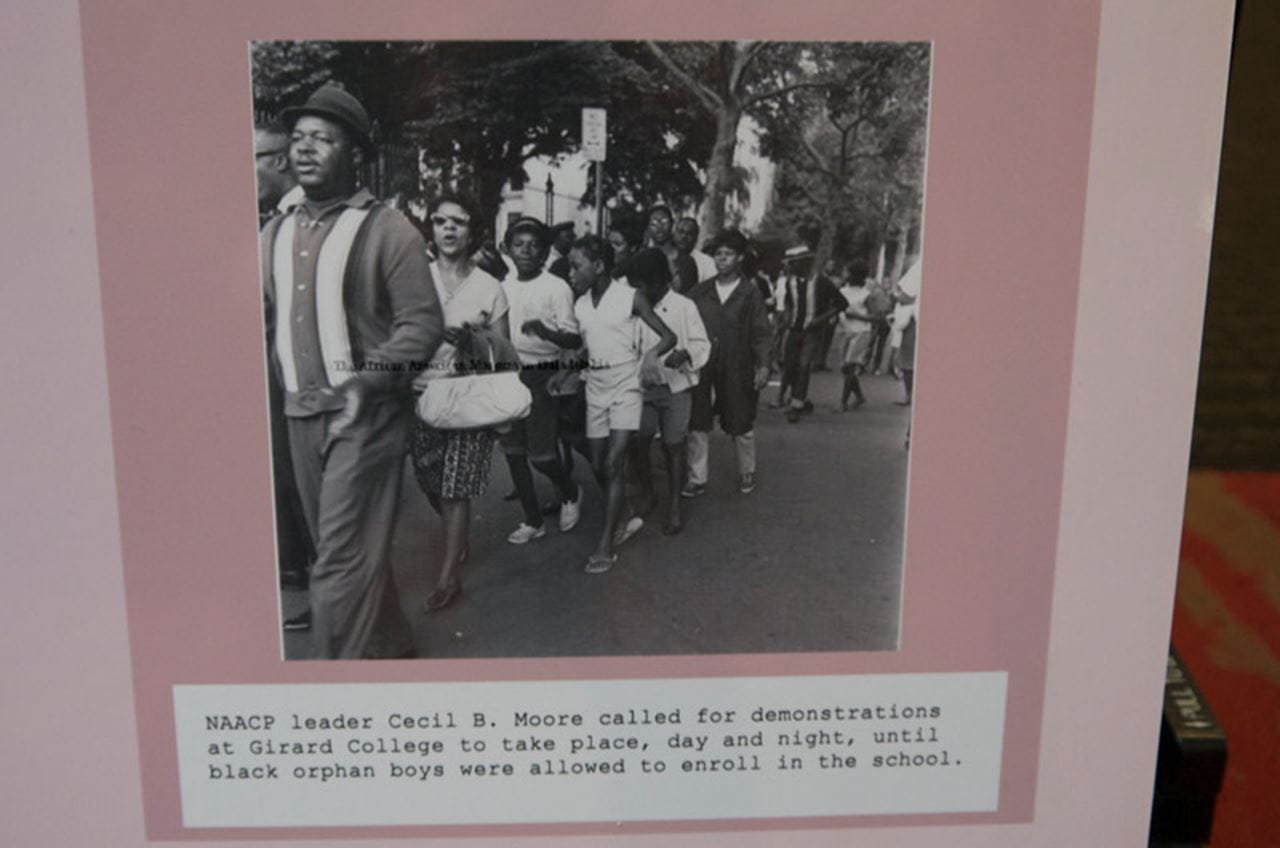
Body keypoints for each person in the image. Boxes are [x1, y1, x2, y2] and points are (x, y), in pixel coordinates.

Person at [260, 84, 444, 659]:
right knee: (347, 550)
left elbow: (421, 323)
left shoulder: (388, 229)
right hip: (298, 415)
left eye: (324, 138)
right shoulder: (276, 229)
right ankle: (390, 646)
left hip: (365, 416)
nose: (305, 149)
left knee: (335, 563)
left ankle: (339, 698)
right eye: (298, 139)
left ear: (355, 152)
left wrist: (371, 377)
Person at [409, 193, 510, 612]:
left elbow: (505, 353)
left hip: (468, 400)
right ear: (431, 230)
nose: (449, 229)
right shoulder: (414, 277)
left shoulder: (490, 288)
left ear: (474, 233)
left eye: (459, 221)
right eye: (440, 221)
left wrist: (475, 341)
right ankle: (457, 532)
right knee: (428, 478)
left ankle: (448, 578)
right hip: (419, 395)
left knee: (454, 489)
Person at [571, 238, 676, 573]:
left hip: (625, 384)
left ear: (599, 266)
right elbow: (593, 345)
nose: (571, 273)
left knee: (614, 463)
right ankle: (627, 509)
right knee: (599, 463)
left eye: (577, 266)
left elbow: (669, 337)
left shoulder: (630, 297)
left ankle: (605, 544)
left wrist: (649, 356)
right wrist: (573, 364)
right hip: (595, 386)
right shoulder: (581, 304)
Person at [255, 120, 314, 631]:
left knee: (305, 481)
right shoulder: (276, 217)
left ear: (277, 160)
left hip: (302, 374)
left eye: (252, 157)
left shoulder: (296, 217)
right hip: (283, 368)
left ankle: (330, 595)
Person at [499, 217, 583, 544]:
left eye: (534, 246)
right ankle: (532, 520)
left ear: (546, 251)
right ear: (508, 249)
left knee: (542, 455)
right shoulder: (502, 287)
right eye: (519, 245)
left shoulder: (556, 287)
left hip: (543, 374)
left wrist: (544, 331)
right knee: (513, 452)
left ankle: (571, 492)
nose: (526, 251)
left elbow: (574, 341)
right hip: (508, 375)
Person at [628, 248, 710, 535]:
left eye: (646, 283)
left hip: (676, 387)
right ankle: (648, 492)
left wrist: (686, 354)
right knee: (639, 440)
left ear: (663, 280)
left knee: (674, 445)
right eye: (637, 284)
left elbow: (702, 343)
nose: (641, 289)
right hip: (642, 388)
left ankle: (674, 504)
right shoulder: (634, 306)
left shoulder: (684, 306)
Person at [684, 229, 772, 496]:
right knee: (697, 419)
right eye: (718, 254)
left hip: (737, 365)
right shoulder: (700, 292)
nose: (722, 259)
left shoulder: (749, 294)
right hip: (703, 363)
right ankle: (697, 478)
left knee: (740, 419)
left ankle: (747, 470)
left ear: (740, 258)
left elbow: (761, 333)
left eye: (728, 254)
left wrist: (763, 365)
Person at [780, 251, 848, 423]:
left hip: (812, 331)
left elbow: (841, 303)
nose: (790, 266)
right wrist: (787, 317)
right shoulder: (790, 282)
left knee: (803, 365)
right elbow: (789, 302)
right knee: (789, 366)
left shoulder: (821, 281)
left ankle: (796, 405)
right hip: (794, 329)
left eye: (794, 263)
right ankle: (802, 400)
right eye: (790, 263)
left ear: (805, 263)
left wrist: (820, 319)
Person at [832, 268, 874, 411]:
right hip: (844, 330)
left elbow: (875, 317)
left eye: (848, 272)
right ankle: (859, 396)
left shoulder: (866, 294)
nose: (845, 274)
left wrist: (856, 316)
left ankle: (842, 402)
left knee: (850, 366)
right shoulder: (842, 291)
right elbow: (837, 308)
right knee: (845, 368)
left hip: (860, 332)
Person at [648, 205, 698, 294]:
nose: (659, 227)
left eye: (664, 222)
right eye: (654, 223)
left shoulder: (687, 262)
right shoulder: (639, 258)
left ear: (672, 224)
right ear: (648, 226)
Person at [673, 216, 710, 290]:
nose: (684, 236)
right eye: (681, 232)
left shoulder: (707, 263)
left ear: (696, 237)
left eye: (689, 233)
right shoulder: (664, 256)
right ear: (674, 233)